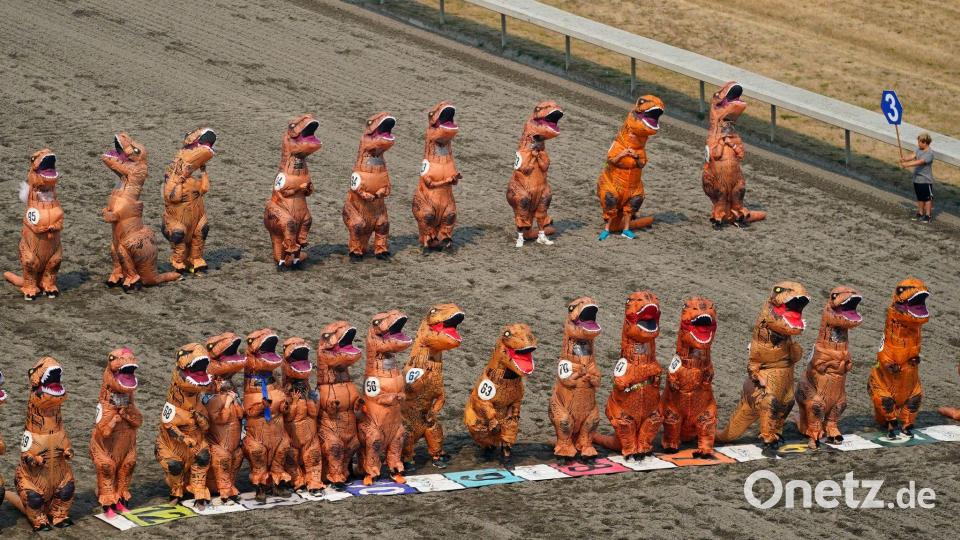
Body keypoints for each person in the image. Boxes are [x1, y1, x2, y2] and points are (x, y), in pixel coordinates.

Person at [900, 133, 934, 223]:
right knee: (920, 198)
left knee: (927, 199)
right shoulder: (918, 149)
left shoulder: (929, 153)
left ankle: (928, 216)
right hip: (917, 179)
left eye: (919, 142)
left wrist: (906, 165)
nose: (918, 144)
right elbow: (913, 156)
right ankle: (920, 213)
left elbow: (920, 162)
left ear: (925, 143)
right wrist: (905, 159)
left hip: (925, 180)